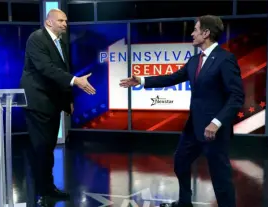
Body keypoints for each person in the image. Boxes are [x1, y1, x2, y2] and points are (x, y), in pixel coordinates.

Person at [120, 15, 244, 207]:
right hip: (193, 128)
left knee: (220, 177)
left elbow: (236, 96)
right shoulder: (194, 61)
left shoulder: (225, 59)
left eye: (195, 29)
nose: (192, 33)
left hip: (214, 131)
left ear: (206, 33)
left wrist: (217, 122)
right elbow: (172, 78)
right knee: (180, 161)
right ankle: (185, 202)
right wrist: (142, 80)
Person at [20, 9, 96, 206]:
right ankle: (41, 192)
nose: (65, 24)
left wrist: (68, 99)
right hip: (38, 102)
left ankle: (48, 188)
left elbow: (62, 72)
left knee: (48, 148)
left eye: (66, 20)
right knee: (41, 148)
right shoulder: (36, 39)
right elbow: (45, 68)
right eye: (61, 20)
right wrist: (75, 81)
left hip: (52, 103)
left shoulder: (60, 43)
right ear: (49, 22)